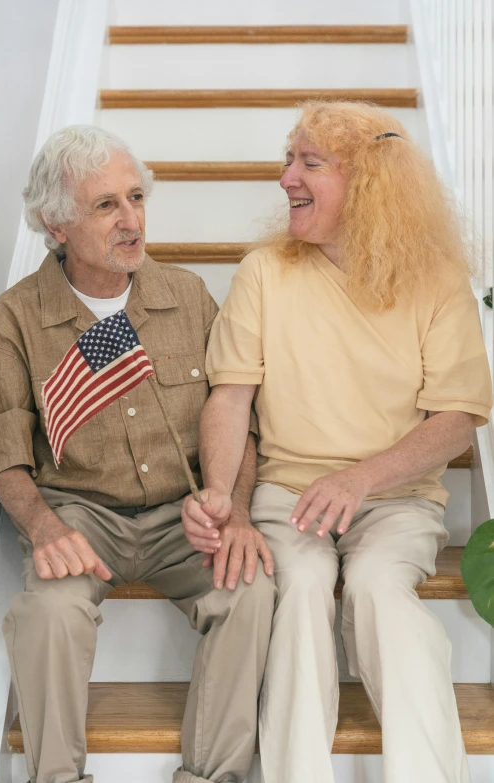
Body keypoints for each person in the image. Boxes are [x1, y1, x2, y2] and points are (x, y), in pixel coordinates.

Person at [182, 101, 493, 783]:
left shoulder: (437, 280)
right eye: (289, 158)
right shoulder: (266, 271)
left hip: (396, 498)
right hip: (287, 495)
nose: (287, 176)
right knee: (299, 587)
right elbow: (230, 399)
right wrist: (224, 502)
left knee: (381, 590)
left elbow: (457, 418)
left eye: (310, 163)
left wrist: (360, 480)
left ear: (369, 184)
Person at [0, 125, 276, 783]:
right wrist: (43, 525)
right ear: (57, 224)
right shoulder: (15, 317)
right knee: (48, 610)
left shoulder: (188, 297)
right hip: (79, 514)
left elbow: (238, 415)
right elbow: (0, 449)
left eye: (136, 197)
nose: (132, 219)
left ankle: (210, 776)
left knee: (249, 587)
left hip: (184, 513)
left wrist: (238, 510)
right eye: (106, 204)